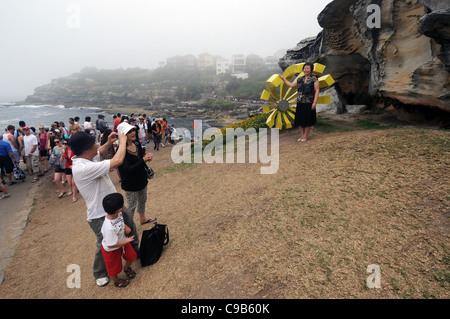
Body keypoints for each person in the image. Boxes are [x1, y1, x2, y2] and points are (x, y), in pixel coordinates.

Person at [69, 130, 139, 287]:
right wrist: (122, 141)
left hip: (116, 207)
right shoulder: (82, 168)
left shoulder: (86, 159)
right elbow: (118, 160)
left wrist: (108, 142)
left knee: (130, 229)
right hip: (99, 214)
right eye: (94, 143)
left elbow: (99, 152)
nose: (97, 145)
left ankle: (134, 254)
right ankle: (100, 273)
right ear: (87, 149)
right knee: (104, 245)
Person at [117, 122, 156, 225]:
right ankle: (128, 226)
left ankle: (142, 219)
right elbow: (127, 169)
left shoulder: (137, 144)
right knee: (131, 206)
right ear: (124, 135)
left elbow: (139, 161)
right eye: (129, 131)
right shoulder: (121, 150)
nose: (133, 132)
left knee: (143, 200)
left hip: (141, 178)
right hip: (130, 183)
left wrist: (146, 159)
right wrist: (143, 160)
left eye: (133, 130)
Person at [101, 192, 137, 288]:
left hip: (122, 242)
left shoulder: (118, 213)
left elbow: (120, 221)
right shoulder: (108, 227)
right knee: (114, 267)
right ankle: (116, 280)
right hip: (112, 249)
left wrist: (125, 227)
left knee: (132, 256)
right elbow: (110, 244)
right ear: (120, 208)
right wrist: (125, 241)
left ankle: (126, 268)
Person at [278, 62, 320, 142]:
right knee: (299, 119)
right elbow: (291, 85)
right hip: (300, 102)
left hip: (309, 102)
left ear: (311, 69)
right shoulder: (300, 79)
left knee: (308, 119)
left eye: (307, 68)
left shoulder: (314, 79)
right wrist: (283, 78)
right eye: (305, 68)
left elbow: (317, 90)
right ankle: (302, 135)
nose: (306, 70)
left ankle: (305, 135)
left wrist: (314, 102)